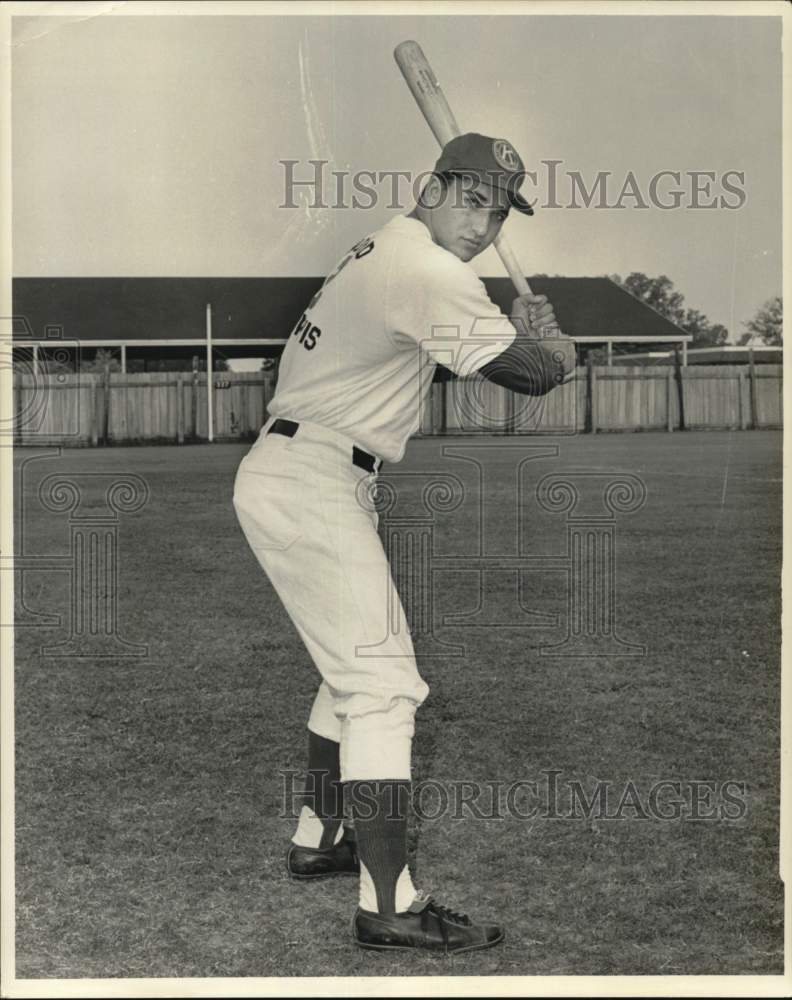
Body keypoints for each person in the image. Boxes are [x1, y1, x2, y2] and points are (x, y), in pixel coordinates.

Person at [233, 132, 576, 954]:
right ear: (433, 187)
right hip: (310, 477)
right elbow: (526, 375)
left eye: (496, 213)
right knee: (385, 687)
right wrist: (557, 349)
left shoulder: (386, 246)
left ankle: (322, 837)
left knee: (353, 664)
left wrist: (522, 335)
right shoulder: (425, 267)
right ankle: (389, 902)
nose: (482, 224)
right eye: (470, 201)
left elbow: (472, 350)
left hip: (308, 470)